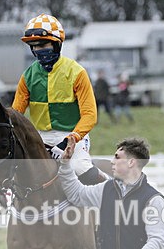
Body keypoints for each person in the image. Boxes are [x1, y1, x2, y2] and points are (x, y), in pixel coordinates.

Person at [12, 13, 104, 184]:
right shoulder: (27, 76)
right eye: (34, 46)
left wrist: (69, 140)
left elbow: (90, 115)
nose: (39, 50)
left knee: (80, 168)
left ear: (57, 43)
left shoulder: (77, 73)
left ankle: (112, 191)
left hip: (72, 135)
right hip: (39, 136)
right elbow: (16, 114)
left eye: (43, 44)